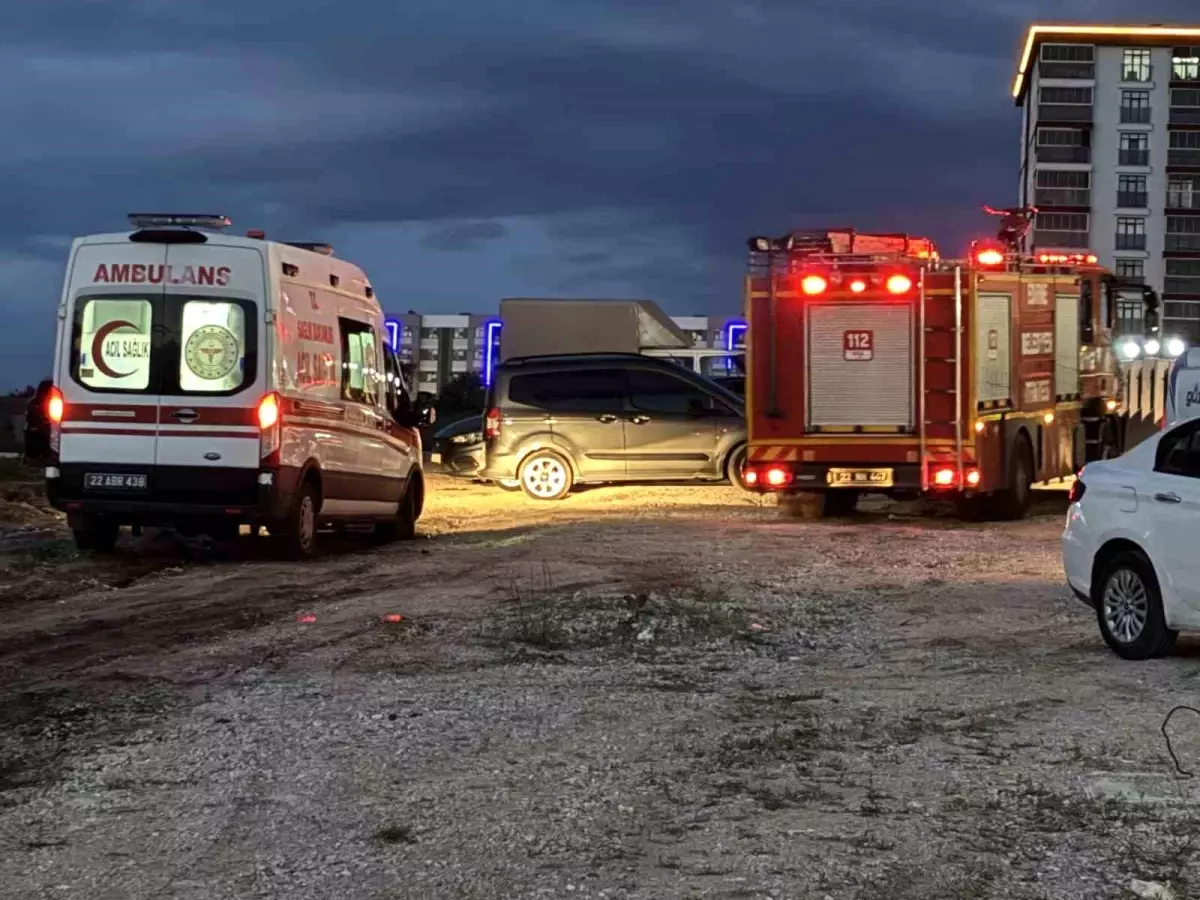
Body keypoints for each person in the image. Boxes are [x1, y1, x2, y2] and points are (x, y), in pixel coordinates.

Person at [23, 379, 53, 465]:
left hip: (41, 432)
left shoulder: (35, 402)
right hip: (39, 433)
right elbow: (31, 418)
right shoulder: (36, 403)